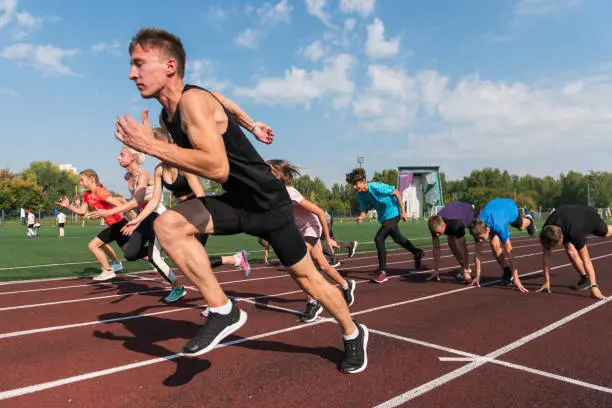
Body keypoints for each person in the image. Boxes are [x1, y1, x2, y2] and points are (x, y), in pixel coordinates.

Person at [114, 27, 367, 373]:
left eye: (139, 64)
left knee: (308, 279)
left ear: (170, 65)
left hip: (268, 204)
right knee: (168, 225)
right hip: (237, 203)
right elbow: (223, 101)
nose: (131, 73)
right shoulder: (167, 114)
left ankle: (353, 333)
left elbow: (216, 167)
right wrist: (251, 125)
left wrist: (151, 146)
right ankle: (223, 310)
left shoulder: (194, 101)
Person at [122, 127, 252, 279]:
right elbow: (155, 200)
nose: (153, 151)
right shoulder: (159, 170)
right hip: (182, 211)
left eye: (155, 146)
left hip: (198, 208)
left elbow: (200, 194)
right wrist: (137, 219)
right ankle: (236, 259)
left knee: (193, 263)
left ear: (165, 144)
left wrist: (204, 218)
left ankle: (229, 276)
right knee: (188, 262)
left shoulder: (182, 165)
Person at [89, 146, 189, 302]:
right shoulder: (127, 176)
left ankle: (177, 287)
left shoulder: (144, 175)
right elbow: (135, 204)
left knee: (164, 258)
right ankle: (158, 250)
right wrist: (132, 219)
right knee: (130, 253)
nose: (118, 157)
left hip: (156, 216)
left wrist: (110, 212)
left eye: (122, 154)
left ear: (133, 157)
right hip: (144, 217)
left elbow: (136, 201)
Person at [267, 159, 356, 323]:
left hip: (312, 228)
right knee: (322, 265)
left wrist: (328, 238)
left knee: (296, 265)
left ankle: (313, 301)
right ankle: (346, 285)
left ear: (278, 175)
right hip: (299, 231)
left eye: (268, 170)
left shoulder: (290, 192)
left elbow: (320, 212)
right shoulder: (273, 192)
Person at [346, 168, 424, 283]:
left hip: (394, 212)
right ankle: (417, 252)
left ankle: (383, 272)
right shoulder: (360, 195)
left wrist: (403, 212)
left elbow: (396, 192)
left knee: (379, 238)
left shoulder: (377, 187)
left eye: (356, 184)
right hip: (384, 218)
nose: (354, 187)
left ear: (363, 181)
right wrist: (362, 216)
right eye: (353, 185)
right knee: (398, 239)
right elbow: (364, 207)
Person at [57, 169, 127, 281]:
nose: (80, 183)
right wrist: (69, 206)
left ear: (92, 179)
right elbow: (82, 213)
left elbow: (118, 204)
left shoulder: (100, 192)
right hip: (114, 225)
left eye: (82, 180)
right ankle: (154, 258)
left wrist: (119, 214)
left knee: (93, 245)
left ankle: (108, 271)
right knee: (131, 253)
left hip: (118, 223)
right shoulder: (87, 195)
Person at [537, 205, 612, 300]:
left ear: (561, 237)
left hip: (588, 215)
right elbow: (546, 256)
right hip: (567, 216)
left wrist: (594, 287)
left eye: (555, 245)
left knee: (605, 232)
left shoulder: (575, 233)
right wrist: (547, 281)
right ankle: (585, 279)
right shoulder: (547, 231)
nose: (554, 248)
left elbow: (587, 260)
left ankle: (590, 282)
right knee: (570, 250)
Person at [468, 197, 536, 291]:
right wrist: (478, 275)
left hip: (509, 207)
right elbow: (478, 253)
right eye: (478, 238)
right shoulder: (477, 226)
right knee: (494, 244)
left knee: (521, 227)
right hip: (495, 209)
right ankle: (507, 271)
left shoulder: (499, 226)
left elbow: (510, 252)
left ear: (487, 230)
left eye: (481, 238)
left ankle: (529, 218)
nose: (480, 241)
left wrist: (517, 279)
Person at [427, 201, 476, 282]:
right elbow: (436, 248)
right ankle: (464, 266)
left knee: (475, 235)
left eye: (439, 233)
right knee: (451, 243)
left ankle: (467, 268)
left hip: (467, 213)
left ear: (444, 225)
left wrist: (466, 272)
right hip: (452, 214)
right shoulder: (434, 225)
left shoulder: (456, 225)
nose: (437, 235)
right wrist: (436, 270)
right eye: (436, 233)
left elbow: (464, 248)